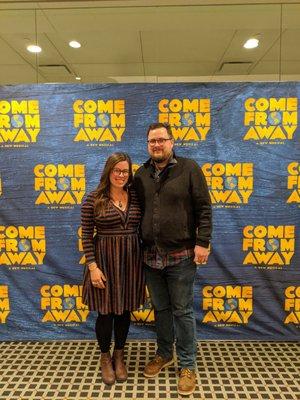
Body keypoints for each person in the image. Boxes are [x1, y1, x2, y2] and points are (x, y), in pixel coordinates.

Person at [133, 122, 212, 396]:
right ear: (147, 145)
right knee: (162, 310)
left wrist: (203, 242)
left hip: (181, 256)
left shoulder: (190, 168)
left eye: (161, 140)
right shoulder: (140, 174)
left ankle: (188, 366)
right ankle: (165, 353)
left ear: (172, 141)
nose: (157, 145)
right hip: (150, 257)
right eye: (152, 141)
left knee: (183, 311)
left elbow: (204, 207)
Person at [81, 152, 145, 385]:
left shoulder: (136, 197)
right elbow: (87, 236)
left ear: (130, 174)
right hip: (104, 261)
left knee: (124, 310)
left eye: (125, 171)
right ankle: (105, 356)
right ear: (108, 171)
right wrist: (92, 267)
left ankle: (120, 354)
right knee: (106, 312)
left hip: (130, 261)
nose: (120, 175)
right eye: (116, 170)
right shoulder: (93, 199)